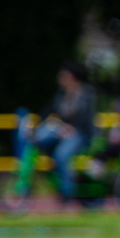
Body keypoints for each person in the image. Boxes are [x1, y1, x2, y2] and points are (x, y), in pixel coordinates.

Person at [27, 69, 94, 206]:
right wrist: (34, 124)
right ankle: (28, 181)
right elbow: (48, 110)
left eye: (63, 76)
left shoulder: (85, 94)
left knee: (61, 155)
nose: (60, 79)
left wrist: (71, 128)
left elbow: (86, 119)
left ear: (73, 77)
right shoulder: (61, 94)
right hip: (63, 131)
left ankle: (67, 193)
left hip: (80, 134)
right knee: (39, 137)